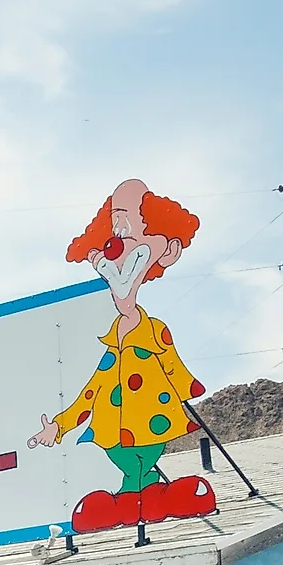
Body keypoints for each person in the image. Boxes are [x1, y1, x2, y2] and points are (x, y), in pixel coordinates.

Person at [30, 178, 220, 532]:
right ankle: (134, 497)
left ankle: (146, 495)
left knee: (141, 464)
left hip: (152, 422)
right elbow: (94, 388)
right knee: (128, 467)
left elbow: (173, 368)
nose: (118, 246)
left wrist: (185, 390)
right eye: (114, 235)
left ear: (168, 250)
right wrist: (60, 425)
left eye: (130, 233)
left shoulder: (153, 331)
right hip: (111, 430)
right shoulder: (111, 340)